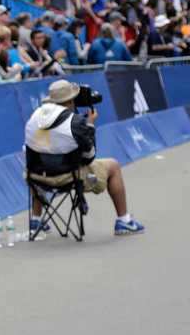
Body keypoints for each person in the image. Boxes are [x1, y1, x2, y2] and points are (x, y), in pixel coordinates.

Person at [25, 80, 145, 236]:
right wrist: (89, 125)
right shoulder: (76, 123)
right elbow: (89, 157)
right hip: (68, 177)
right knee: (113, 165)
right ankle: (124, 221)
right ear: (70, 100)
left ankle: (35, 220)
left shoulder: (34, 117)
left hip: (36, 177)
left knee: (43, 160)